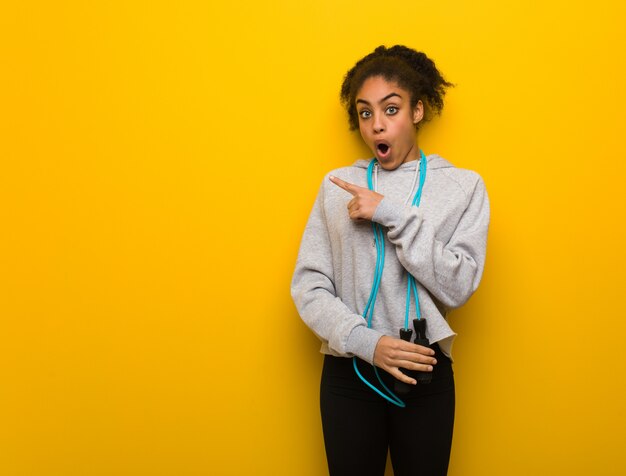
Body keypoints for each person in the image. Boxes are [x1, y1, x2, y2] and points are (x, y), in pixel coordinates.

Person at [291, 45, 490, 476]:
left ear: (418, 111)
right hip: (350, 376)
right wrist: (369, 344)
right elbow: (309, 287)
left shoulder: (463, 187)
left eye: (391, 109)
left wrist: (390, 212)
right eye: (365, 113)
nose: (377, 124)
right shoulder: (336, 186)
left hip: (425, 374)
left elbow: (461, 284)